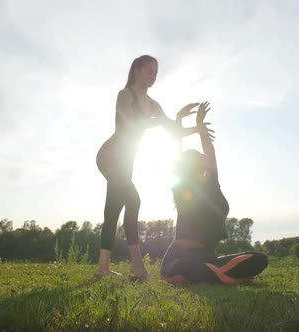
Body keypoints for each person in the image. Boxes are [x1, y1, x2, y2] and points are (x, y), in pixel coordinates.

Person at [96, 55, 201, 279]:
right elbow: (130, 124)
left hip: (127, 161)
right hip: (110, 157)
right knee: (134, 200)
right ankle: (137, 265)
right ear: (136, 71)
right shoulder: (125, 95)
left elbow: (173, 129)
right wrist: (158, 121)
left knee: (113, 210)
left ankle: (103, 269)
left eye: (155, 72)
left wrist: (191, 125)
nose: (153, 76)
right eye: (149, 72)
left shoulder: (154, 104)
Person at [160, 102, 269, 284]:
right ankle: (225, 278)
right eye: (199, 156)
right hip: (178, 260)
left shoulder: (212, 183)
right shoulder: (183, 188)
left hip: (209, 257)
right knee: (189, 268)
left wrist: (200, 124)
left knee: (259, 259)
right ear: (190, 167)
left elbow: (210, 150)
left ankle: (215, 273)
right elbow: (177, 154)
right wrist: (179, 120)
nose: (205, 157)